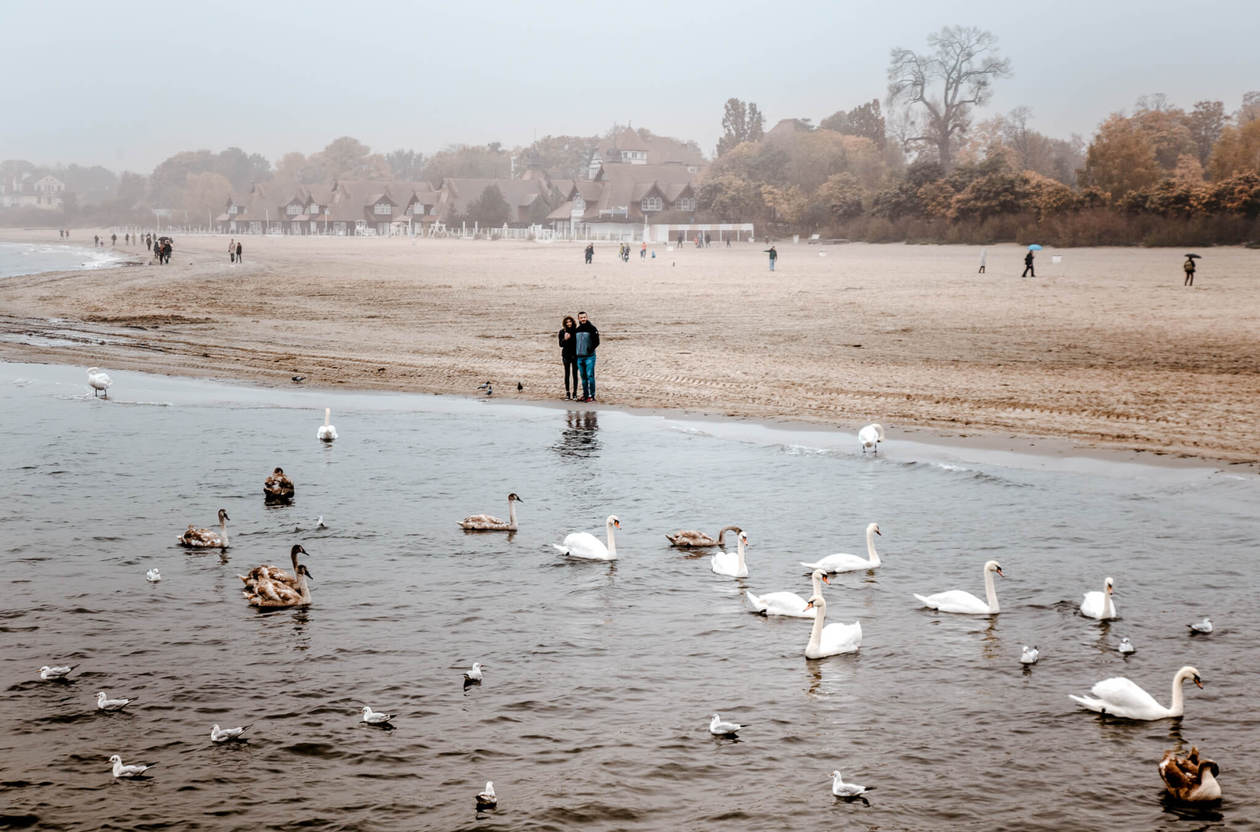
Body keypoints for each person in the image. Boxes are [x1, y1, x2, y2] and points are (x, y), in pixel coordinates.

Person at [574, 311, 600, 402]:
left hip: (589, 357)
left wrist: (590, 349)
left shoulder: (592, 328)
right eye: (581, 318)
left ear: (587, 317)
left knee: (590, 376)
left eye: (584, 317)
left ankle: (591, 396)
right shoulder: (577, 330)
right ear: (579, 319)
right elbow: (574, 343)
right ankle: (585, 395)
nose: (583, 319)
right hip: (579, 357)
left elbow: (597, 342)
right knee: (583, 377)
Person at [558, 315, 578, 399]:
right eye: (567, 322)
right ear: (564, 324)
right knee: (567, 374)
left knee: (575, 374)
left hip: (575, 355)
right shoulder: (562, 332)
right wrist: (565, 339)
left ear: (573, 322)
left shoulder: (576, 331)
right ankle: (567, 392)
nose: (569, 323)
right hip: (566, 355)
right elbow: (560, 344)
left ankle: (575, 393)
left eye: (570, 321)